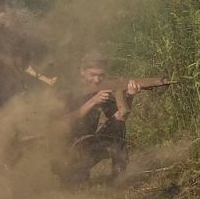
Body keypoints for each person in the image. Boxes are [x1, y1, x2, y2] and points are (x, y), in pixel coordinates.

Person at [58, 52, 141, 184]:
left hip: (86, 147)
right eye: (92, 75)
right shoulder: (67, 91)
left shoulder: (101, 91)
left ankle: (119, 179)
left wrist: (130, 96)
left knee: (118, 124)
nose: (97, 80)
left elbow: (121, 116)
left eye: (101, 75)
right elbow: (59, 125)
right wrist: (92, 102)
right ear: (82, 72)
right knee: (72, 183)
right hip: (62, 153)